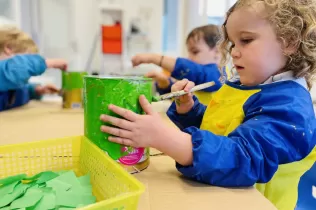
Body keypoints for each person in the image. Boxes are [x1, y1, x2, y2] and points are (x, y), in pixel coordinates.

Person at [99, 0, 316, 209]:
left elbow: (242, 158)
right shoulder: (247, 85)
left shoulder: (290, 106)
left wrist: (165, 138)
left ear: (289, 41)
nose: (234, 52)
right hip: (219, 195)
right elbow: (222, 129)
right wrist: (189, 110)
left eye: (246, 40)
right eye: (232, 43)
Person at [133, 24, 229, 105]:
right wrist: (166, 84)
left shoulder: (220, 75)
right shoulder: (197, 78)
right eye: (189, 52)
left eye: (195, 52)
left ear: (217, 51)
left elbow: (196, 72)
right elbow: (180, 97)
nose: (189, 58)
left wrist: (155, 58)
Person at [0, 26, 67, 111]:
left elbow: (18, 91)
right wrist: (47, 63)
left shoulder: (9, 84)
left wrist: (35, 91)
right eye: (28, 59)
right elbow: (11, 71)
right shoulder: (7, 72)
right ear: (9, 48)